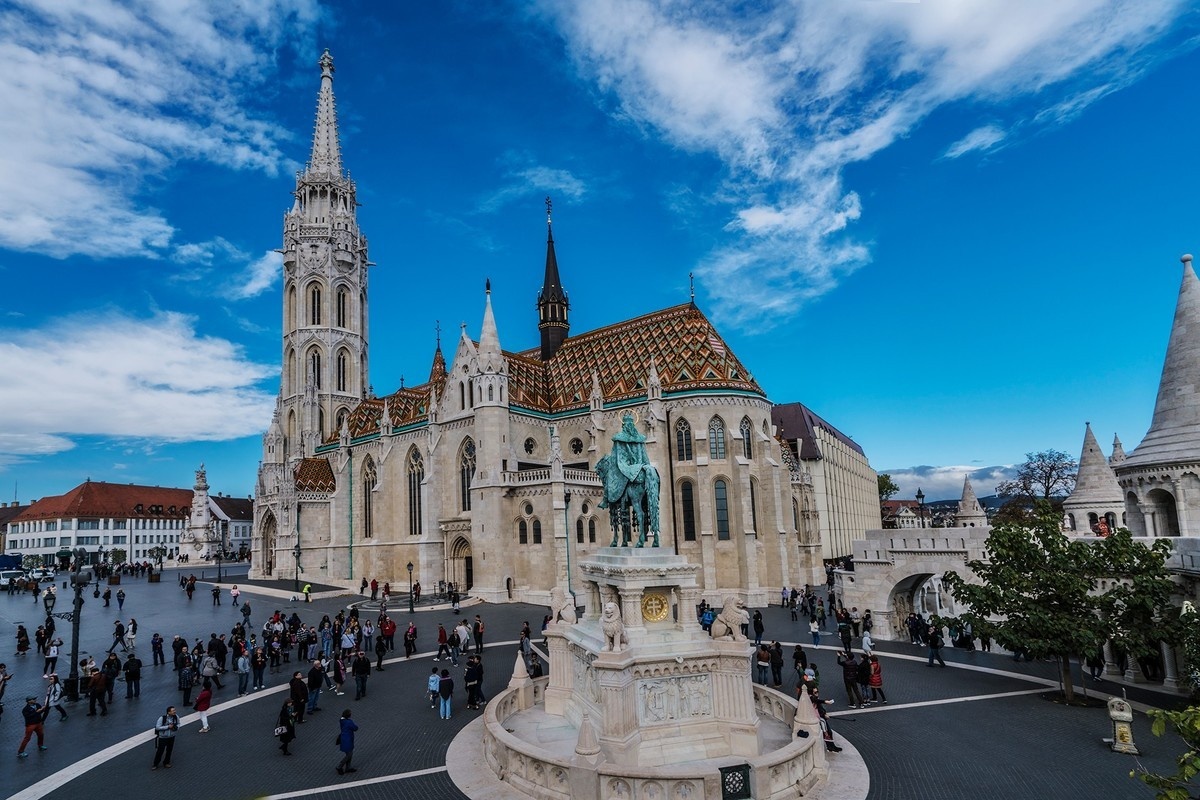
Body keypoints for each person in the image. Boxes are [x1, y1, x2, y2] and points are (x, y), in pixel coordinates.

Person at [336, 708, 358, 774]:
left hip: (343, 738)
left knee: (349, 754)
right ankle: (340, 766)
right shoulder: (349, 722)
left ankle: (348, 767)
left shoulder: (342, 720)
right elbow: (355, 728)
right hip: (348, 739)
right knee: (349, 754)